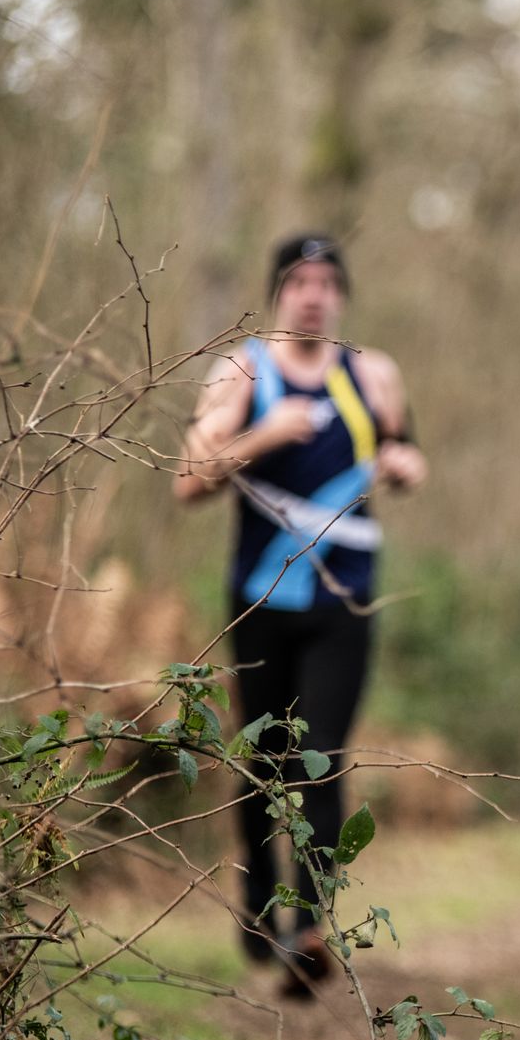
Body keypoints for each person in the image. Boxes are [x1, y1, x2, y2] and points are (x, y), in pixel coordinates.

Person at [173, 234, 428, 996]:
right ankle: (258, 909)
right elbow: (187, 480)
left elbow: (404, 451)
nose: (313, 295)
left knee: (321, 755)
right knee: (263, 757)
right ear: (278, 293)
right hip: (260, 597)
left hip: (345, 598)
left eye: (326, 282)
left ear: (341, 295)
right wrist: (264, 435)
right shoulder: (241, 371)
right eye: (298, 281)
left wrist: (405, 466)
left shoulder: (373, 374)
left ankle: (309, 928)